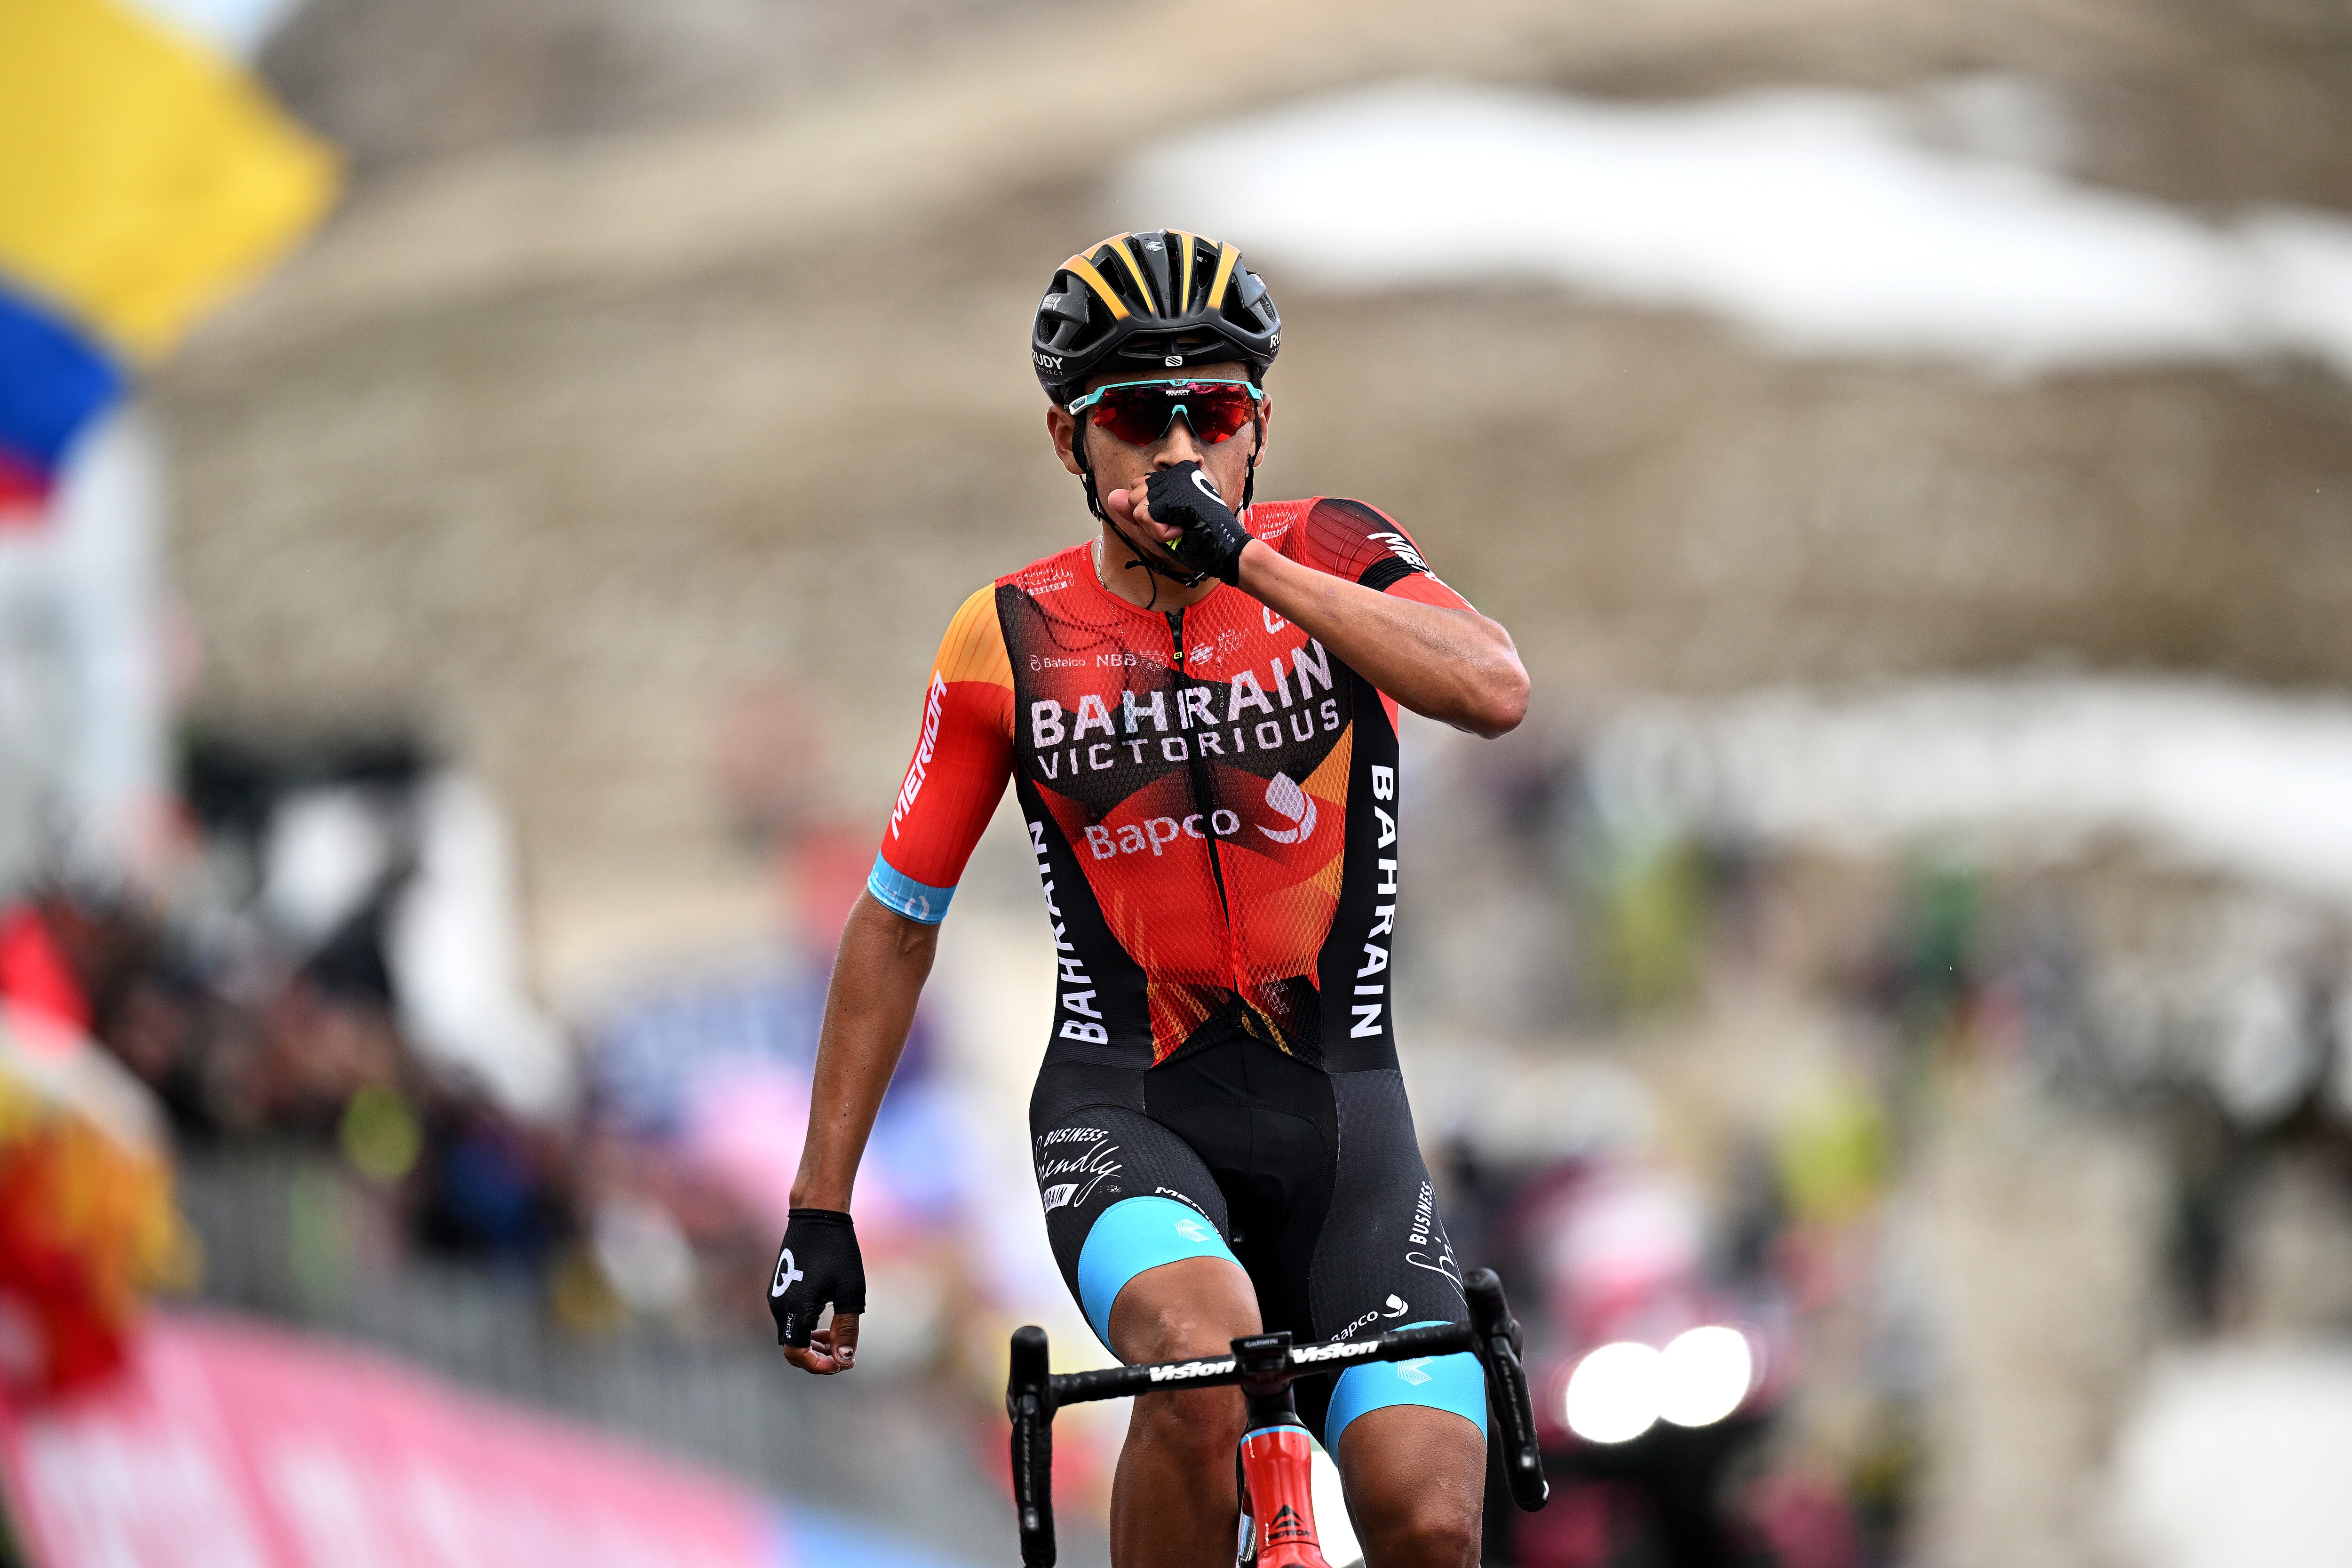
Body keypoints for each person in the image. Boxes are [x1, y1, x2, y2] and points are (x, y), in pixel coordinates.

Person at [769, 230, 1529, 1568]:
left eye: (1214, 410)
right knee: (1203, 1361)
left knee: (1427, 1519)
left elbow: (1493, 688)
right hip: (1130, 1110)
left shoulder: (1335, 550)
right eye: (1136, 415)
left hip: (1348, 1121)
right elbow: (896, 922)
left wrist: (1253, 565)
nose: (1177, 449)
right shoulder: (1005, 637)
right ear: (1071, 442)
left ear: (1260, 427)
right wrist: (820, 1208)